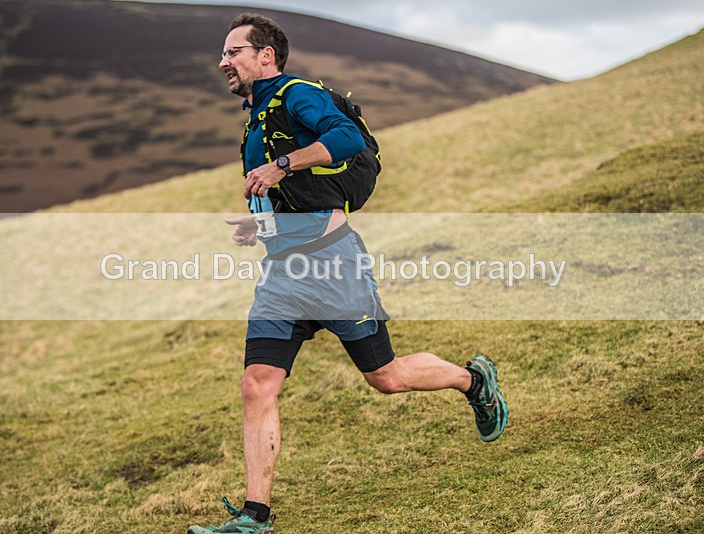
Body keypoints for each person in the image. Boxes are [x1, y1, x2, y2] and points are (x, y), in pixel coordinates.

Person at [188, 14, 508, 533]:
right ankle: (255, 517)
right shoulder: (255, 121)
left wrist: (283, 165)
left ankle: (473, 381)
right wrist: (259, 225)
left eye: (233, 52)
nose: (223, 61)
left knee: (385, 376)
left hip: (334, 263)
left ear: (264, 55)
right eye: (224, 54)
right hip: (283, 273)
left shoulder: (296, 94)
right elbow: (297, 195)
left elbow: (345, 139)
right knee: (257, 384)